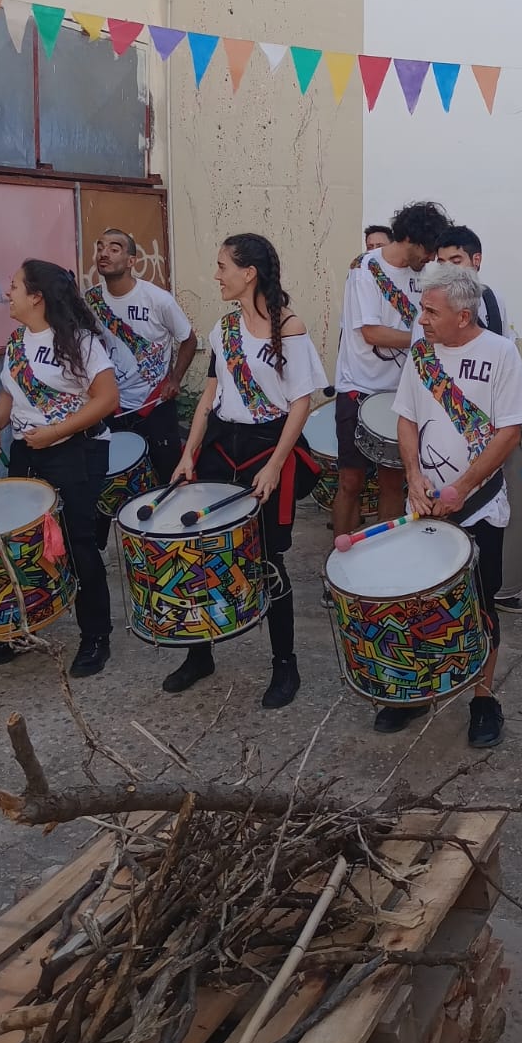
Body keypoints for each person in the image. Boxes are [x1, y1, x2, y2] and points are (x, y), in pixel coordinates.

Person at [170, 233, 325, 705]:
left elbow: (302, 403)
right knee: (201, 552)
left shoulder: (290, 328)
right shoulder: (224, 329)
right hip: (222, 447)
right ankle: (200, 652)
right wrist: (187, 456)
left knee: (268, 561)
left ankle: (285, 665)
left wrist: (277, 466)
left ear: (248, 272)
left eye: (222, 266)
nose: (216, 275)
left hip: (265, 449)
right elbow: (209, 398)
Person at [394, 261, 522, 747]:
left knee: (478, 605)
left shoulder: (500, 354)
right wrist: (414, 477)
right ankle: (419, 689)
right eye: (421, 309)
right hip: (423, 503)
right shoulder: (421, 355)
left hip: (478, 506)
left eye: (430, 311)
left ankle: (482, 697)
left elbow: (509, 432)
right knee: (417, 601)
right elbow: (408, 420)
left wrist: (462, 488)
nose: (422, 320)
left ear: (463, 314)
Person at [0, 261, 118, 677]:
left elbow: (106, 398)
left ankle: (96, 636)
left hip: (77, 450)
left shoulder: (79, 342)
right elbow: (10, 394)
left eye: (15, 285)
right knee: (21, 542)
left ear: (37, 297)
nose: (9, 291)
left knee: (77, 544)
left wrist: (56, 430)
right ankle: (22, 627)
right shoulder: (17, 341)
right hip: (30, 450)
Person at [333, 201, 448, 539]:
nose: (430, 258)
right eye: (428, 249)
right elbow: (371, 333)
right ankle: (339, 563)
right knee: (350, 481)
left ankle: (383, 565)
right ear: (410, 238)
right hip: (359, 387)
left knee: (393, 482)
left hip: (401, 394)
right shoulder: (365, 269)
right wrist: (423, 338)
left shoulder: (423, 276)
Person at [86, 230, 196, 545]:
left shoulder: (157, 299)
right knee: (102, 481)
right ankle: (96, 555)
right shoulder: (90, 299)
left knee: (168, 480)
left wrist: (174, 378)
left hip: (154, 405)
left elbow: (188, 339)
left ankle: (173, 543)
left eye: (115, 248)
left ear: (132, 260)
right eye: (100, 247)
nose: (104, 253)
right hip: (110, 407)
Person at [435, 226, 514, 339]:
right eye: (442, 264)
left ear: (476, 260)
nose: (448, 271)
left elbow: (506, 345)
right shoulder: (433, 305)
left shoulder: (495, 300)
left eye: (456, 262)